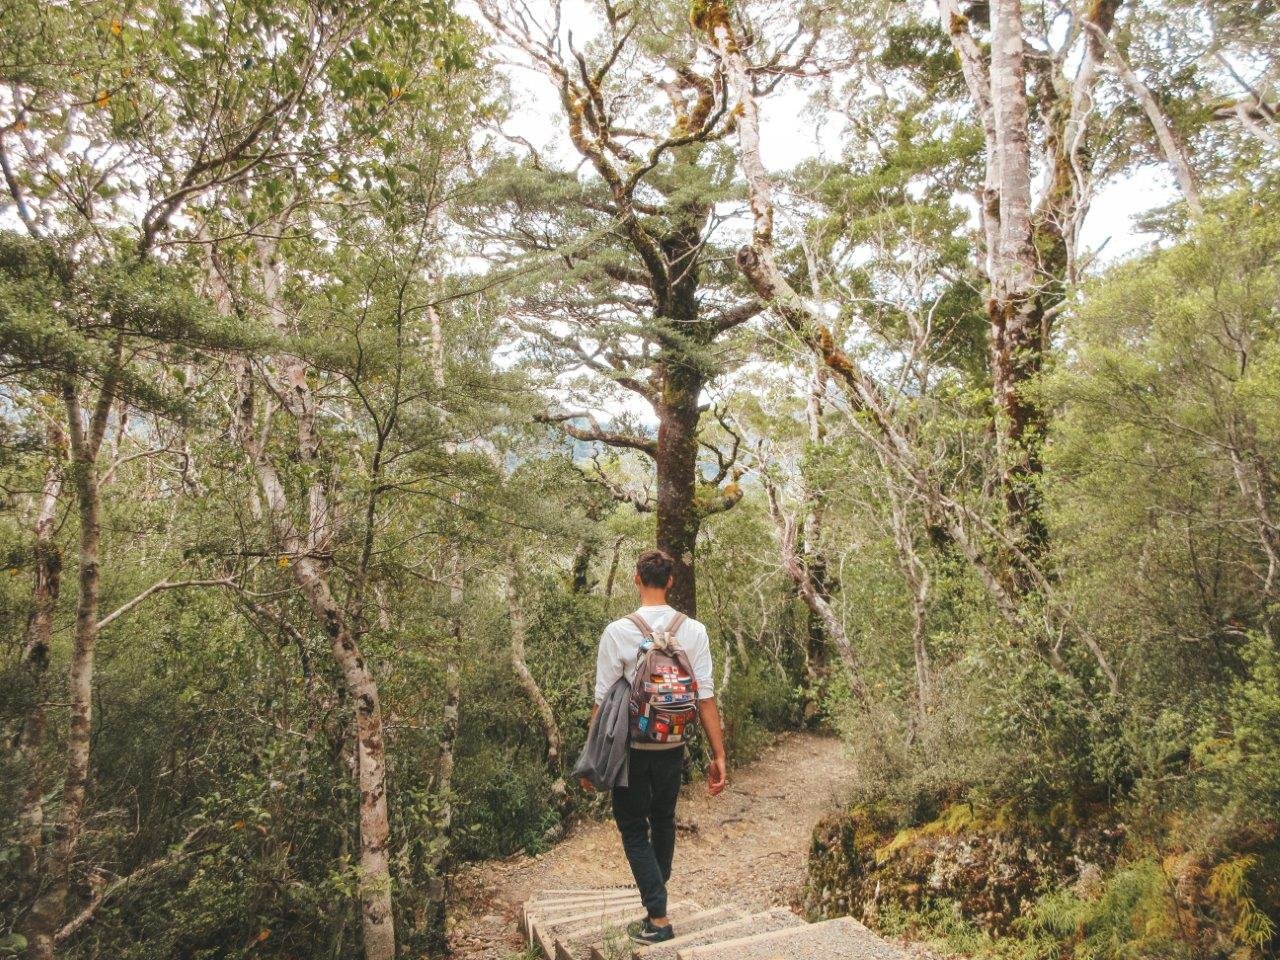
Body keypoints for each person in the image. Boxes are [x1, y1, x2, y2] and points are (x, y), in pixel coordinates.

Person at [581, 549, 728, 945]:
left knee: (632, 827)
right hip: (674, 743)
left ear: (636, 579)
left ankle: (659, 919)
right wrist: (719, 754)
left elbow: (601, 700)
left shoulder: (618, 631)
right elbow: (706, 697)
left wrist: (591, 759)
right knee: (663, 818)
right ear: (671, 581)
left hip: (631, 748)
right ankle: (655, 896)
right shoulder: (693, 630)